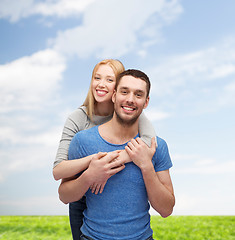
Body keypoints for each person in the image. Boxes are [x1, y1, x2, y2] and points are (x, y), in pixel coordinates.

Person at [59, 69, 175, 240]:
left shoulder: (156, 146)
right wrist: (90, 176)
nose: (130, 99)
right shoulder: (82, 141)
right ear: (113, 95)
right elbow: (64, 196)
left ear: (146, 102)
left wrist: (146, 165)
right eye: (124, 91)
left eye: (138, 94)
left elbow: (166, 209)